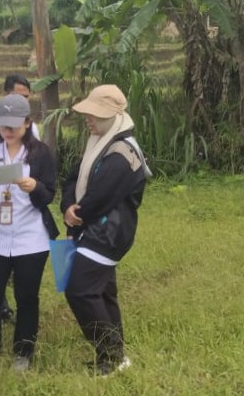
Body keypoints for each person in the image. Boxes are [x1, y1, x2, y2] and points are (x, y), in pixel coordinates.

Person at [60, 84, 150, 377]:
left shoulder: (123, 153)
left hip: (107, 234)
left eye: (94, 114)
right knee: (103, 291)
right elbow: (73, 177)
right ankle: (114, 354)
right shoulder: (99, 141)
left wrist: (77, 214)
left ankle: (111, 355)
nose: (88, 119)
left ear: (114, 114)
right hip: (94, 228)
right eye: (87, 113)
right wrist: (67, 205)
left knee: (80, 290)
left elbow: (101, 196)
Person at [0, 94, 59, 373]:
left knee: (27, 296)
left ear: (28, 123)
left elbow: (49, 196)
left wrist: (35, 187)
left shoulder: (40, 154)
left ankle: (24, 352)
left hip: (31, 238)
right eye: (3, 125)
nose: (7, 131)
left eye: (14, 126)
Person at [0, 74, 40, 144]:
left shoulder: (32, 127)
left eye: (25, 97)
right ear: (6, 95)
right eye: (18, 96)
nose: (22, 101)